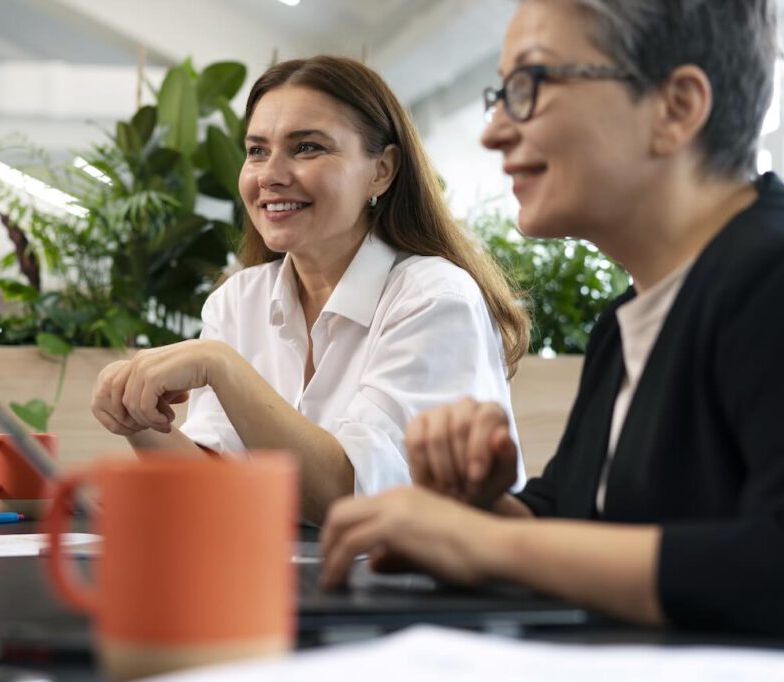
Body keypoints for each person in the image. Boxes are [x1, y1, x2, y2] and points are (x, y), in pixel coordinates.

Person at [320, 0, 784, 637]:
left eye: (530, 85)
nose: (494, 132)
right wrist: (477, 509)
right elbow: (571, 521)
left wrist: (487, 543)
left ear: (675, 108)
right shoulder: (628, 319)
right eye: (500, 94)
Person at [90, 56, 530, 524]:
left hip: (427, 588)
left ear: (381, 170)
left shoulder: (435, 298)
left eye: (307, 148)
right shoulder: (238, 301)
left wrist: (221, 366)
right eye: (257, 150)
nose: (270, 174)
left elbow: (351, 496)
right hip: (296, 581)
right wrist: (136, 419)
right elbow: (217, 491)